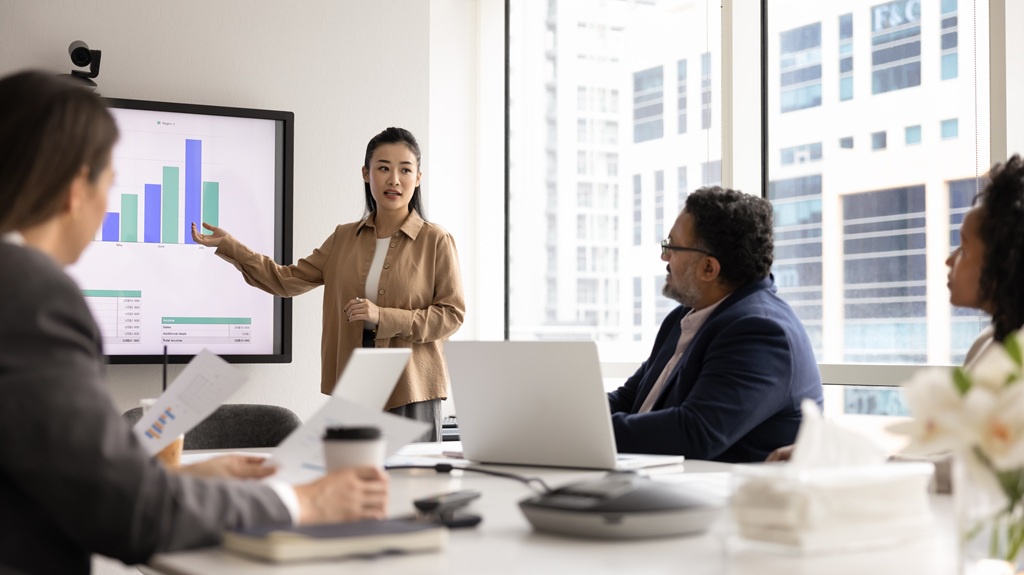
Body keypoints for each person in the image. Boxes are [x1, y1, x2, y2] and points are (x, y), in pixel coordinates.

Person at [0, 70, 388, 575]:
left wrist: (194, 483)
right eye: (111, 187)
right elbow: (126, 512)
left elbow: (56, 474)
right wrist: (303, 504)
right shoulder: (32, 297)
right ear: (77, 189)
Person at [191, 127, 465, 442]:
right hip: (354, 384)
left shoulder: (436, 241)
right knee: (350, 484)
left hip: (411, 386)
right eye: (383, 168)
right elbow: (285, 280)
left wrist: (383, 317)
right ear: (366, 173)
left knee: (412, 484)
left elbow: (451, 314)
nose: (394, 179)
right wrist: (230, 246)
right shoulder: (343, 238)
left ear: (418, 178)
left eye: (405, 170)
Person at [764, 154, 1024, 463]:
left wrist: (844, 462)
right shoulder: (989, 343)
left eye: (964, 247)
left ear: (1005, 263)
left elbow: (970, 471)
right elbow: (948, 459)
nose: (950, 260)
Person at [607, 186, 823, 463]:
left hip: (722, 497)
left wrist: (584, 432)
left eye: (671, 246)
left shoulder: (760, 331)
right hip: (660, 479)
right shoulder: (685, 317)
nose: (664, 257)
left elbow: (695, 432)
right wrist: (560, 416)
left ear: (709, 268)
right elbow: (630, 399)